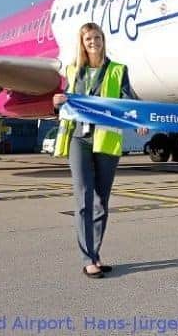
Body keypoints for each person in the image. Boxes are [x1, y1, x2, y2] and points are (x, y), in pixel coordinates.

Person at [53, 22, 148, 278]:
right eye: (87, 39)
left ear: (103, 40)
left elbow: (130, 99)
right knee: (83, 197)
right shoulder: (74, 71)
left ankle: (95, 253)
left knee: (100, 202)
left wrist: (141, 120)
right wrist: (57, 102)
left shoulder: (118, 70)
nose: (92, 42)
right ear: (82, 44)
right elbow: (65, 104)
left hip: (105, 140)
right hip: (79, 139)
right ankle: (87, 258)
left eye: (96, 37)